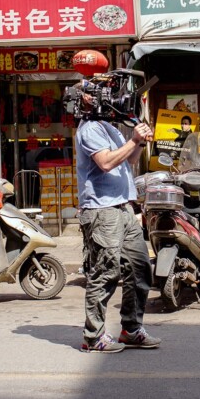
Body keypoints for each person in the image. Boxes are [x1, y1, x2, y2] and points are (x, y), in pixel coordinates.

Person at [75, 90, 159, 353]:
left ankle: (131, 329)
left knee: (139, 267)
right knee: (105, 271)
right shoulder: (90, 128)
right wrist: (133, 138)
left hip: (123, 207)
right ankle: (93, 337)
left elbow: (129, 160)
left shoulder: (110, 128)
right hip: (102, 210)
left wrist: (139, 142)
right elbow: (106, 163)